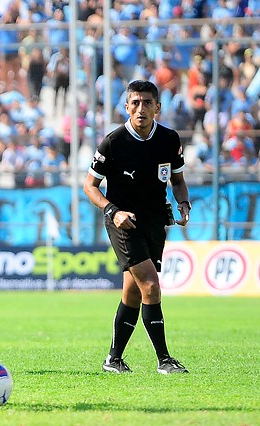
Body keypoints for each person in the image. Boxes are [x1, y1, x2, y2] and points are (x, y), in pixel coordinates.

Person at [83, 80, 191, 375]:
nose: (140, 108)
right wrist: (112, 211)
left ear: (157, 107)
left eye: (147, 103)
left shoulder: (169, 139)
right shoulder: (113, 142)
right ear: (126, 106)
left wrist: (183, 204)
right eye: (135, 103)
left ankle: (113, 360)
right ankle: (165, 360)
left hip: (155, 221)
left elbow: (177, 181)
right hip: (123, 221)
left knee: (132, 292)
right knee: (151, 285)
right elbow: (89, 187)